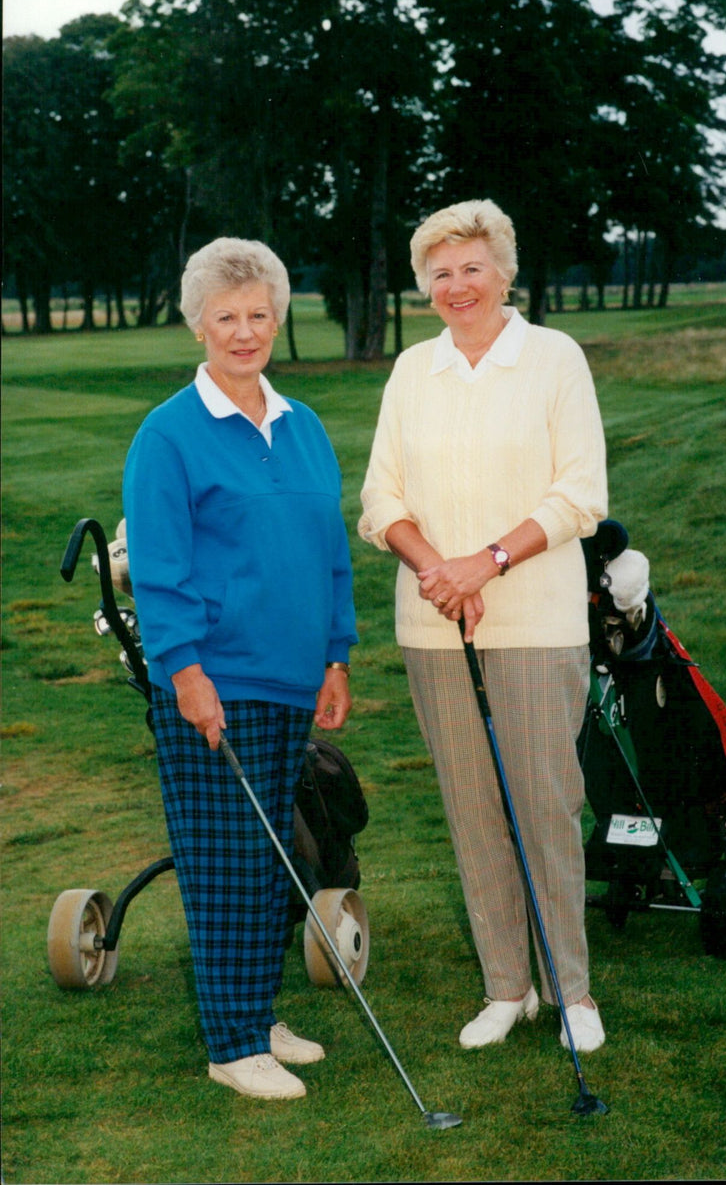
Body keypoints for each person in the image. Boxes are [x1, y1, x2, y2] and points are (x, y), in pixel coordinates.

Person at [358, 200, 608, 1053]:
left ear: (503, 270)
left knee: (544, 805)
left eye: (471, 267)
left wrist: (484, 563)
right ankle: (508, 987)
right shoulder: (410, 371)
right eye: (439, 272)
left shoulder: (553, 359)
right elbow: (380, 500)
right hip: (435, 626)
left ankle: (572, 991)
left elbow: (579, 493)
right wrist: (437, 568)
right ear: (424, 286)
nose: (456, 286)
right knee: (472, 812)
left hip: (534, 620)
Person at [123, 237, 357, 1099]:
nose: (245, 331)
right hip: (213, 684)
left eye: (259, 314)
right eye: (227, 317)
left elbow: (329, 549)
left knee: (271, 859)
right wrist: (183, 672)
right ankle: (230, 1044)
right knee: (225, 860)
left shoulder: (303, 427)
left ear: (277, 317)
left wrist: (337, 654)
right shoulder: (169, 435)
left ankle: (257, 1016)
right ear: (198, 324)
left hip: (292, 676)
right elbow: (159, 570)